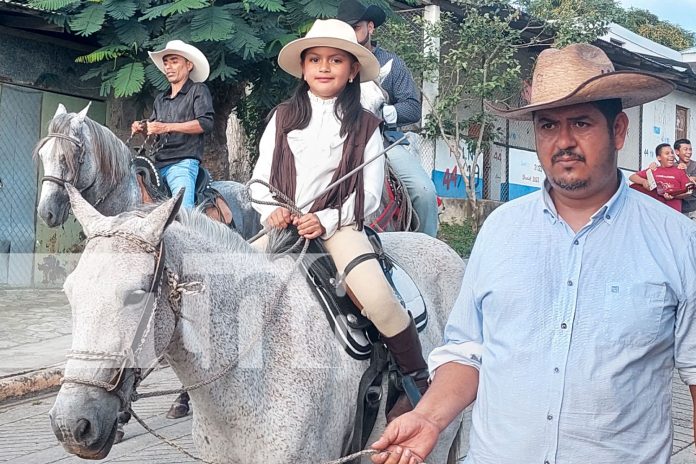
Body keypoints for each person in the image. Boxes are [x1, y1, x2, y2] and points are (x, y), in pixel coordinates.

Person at [370, 43, 696, 464]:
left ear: (618, 130)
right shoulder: (500, 231)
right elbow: (468, 351)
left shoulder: (676, 240)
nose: (563, 142)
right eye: (547, 126)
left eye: (580, 123)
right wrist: (430, 418)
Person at [249, 18, 429, 421]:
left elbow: (369, 194)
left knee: (380, 299)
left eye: (335, 60)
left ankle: (417, 377)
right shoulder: (281, 117)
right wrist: (270, 209)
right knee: (229, 275)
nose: (324, 67)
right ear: (303, 68)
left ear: (352, 71)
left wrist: (327, 219)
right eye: (315, 59)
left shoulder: (367, 125)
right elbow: (259, 180)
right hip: (282, 226)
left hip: (339, 226)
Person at [337, 0, 439, 237]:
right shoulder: (335, 62)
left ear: (370, 27)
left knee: (424, 192)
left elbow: (413, 108)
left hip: (383, 142)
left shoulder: (392, 65)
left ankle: (427, 246)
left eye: (356, 27)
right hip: (337, 139)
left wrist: (386, 112)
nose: (350, 34)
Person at [131, 39, 214, 210]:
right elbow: (154, 129)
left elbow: (205, 123)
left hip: (183, 163)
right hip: (157, 164)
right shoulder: (160, 99)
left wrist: (167, 126)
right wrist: (142, 128)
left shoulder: (198, 90)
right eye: (166, 63)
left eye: (174, 61)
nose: (168, 67)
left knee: (183, 212)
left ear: (189, 65)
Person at [629, 143, 693, 211]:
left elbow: (689, 191)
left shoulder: (680, 171)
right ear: (659, 157)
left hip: (673, 213)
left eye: (672, 153)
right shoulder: (653, 169)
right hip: (654, 211)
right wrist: (644, 181)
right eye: (667, 153)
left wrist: (674, 195)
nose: (671, 155)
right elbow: (632, 177)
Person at [674, 138, 696, 219]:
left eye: (690, 149)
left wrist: (683, 171)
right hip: (678, 210)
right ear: (677, 152)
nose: (689, 152)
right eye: (685, 149)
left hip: (693, 209)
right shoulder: (672, 166)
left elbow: (689, 182)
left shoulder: (695, 166)